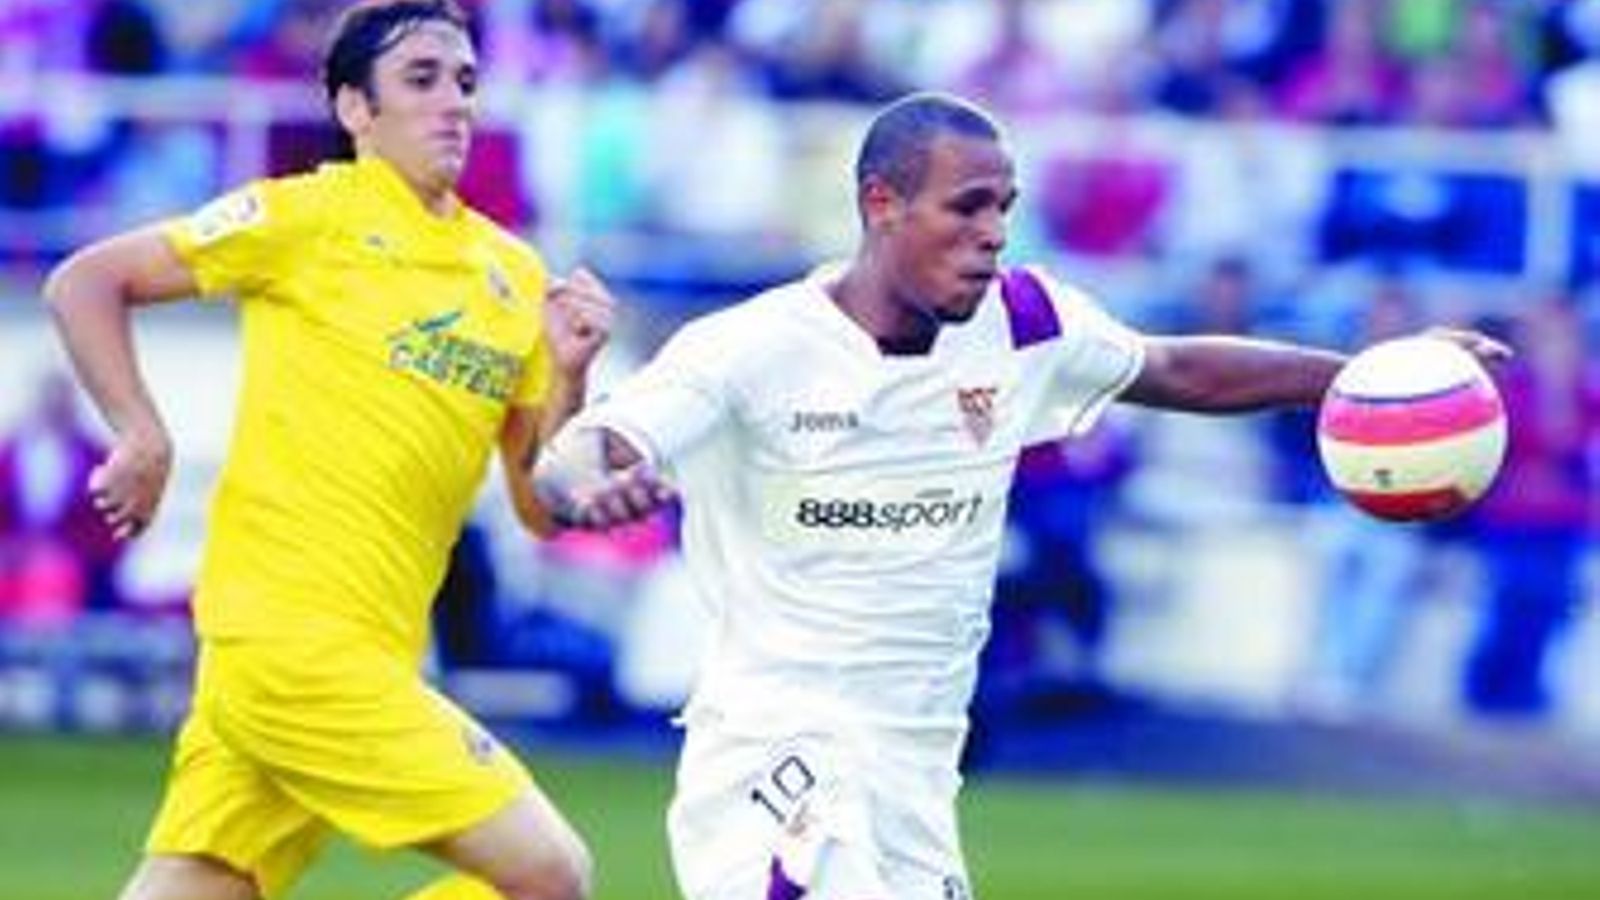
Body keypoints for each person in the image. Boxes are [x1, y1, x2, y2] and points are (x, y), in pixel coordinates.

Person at [532, 92, 1508, 900]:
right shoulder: (751, 347)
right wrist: (591, 486)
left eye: (1004, 206)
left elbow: (1173, 369)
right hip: (776, 752)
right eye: (966, 207)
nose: (993, 234)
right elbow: (585, 450)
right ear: (881, 203)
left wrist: (1366, 376)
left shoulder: (1026, 324)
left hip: (916, 764)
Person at [42, 3, 611, 899]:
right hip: (289, 650)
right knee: (548, 875)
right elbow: (85, 281)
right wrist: (143, 435)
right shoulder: (306, 216)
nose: (453, 104)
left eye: (465, 82)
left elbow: (539, 506)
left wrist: (572, 377)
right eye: (420, 81)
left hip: (363, 656)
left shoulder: (517, 278)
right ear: (355, 108)